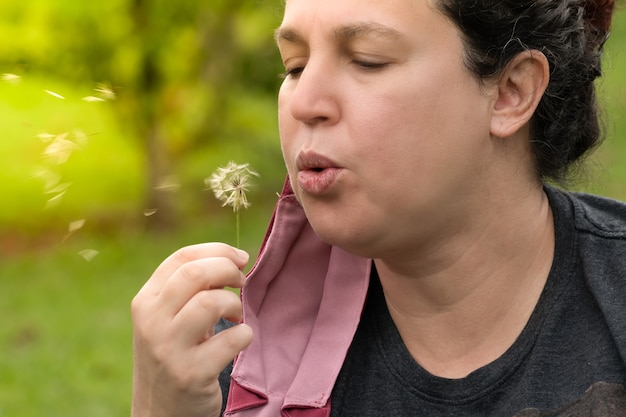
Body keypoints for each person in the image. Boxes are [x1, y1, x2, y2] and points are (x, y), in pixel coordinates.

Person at [130, 0, 626, 416]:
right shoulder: (233, 362)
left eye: (366, 60)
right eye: (294, 66)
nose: (305, 102)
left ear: (511, 92)